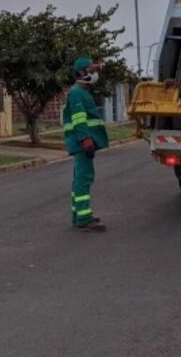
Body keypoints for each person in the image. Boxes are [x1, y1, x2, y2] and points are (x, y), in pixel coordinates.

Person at [62, 56, 110, 232]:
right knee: (84, 178)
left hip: (82, 142)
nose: (95, 74)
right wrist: (86, 140)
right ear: (82, 73)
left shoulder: (81, 92)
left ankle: (78, 215)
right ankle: (84, 217)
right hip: (82, 143)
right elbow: (79, 119)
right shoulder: (77, 93)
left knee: (79, 178)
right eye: (92, 71)